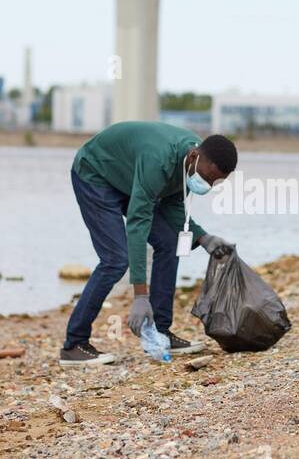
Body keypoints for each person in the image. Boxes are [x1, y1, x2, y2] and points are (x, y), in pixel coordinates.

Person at [60, 121, 237, 366]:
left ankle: (161, 333)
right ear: (194, 156)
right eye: (206, 178)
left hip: (129, 178)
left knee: (168, 242)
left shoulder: (192, 162)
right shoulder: (159, 160)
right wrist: (140, 296)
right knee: (115, 259)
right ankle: (74, 344)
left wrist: (203, 238)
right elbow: (137, 223)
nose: (206, 185)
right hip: (95, 174)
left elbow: (173, 206)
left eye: (214, 182)